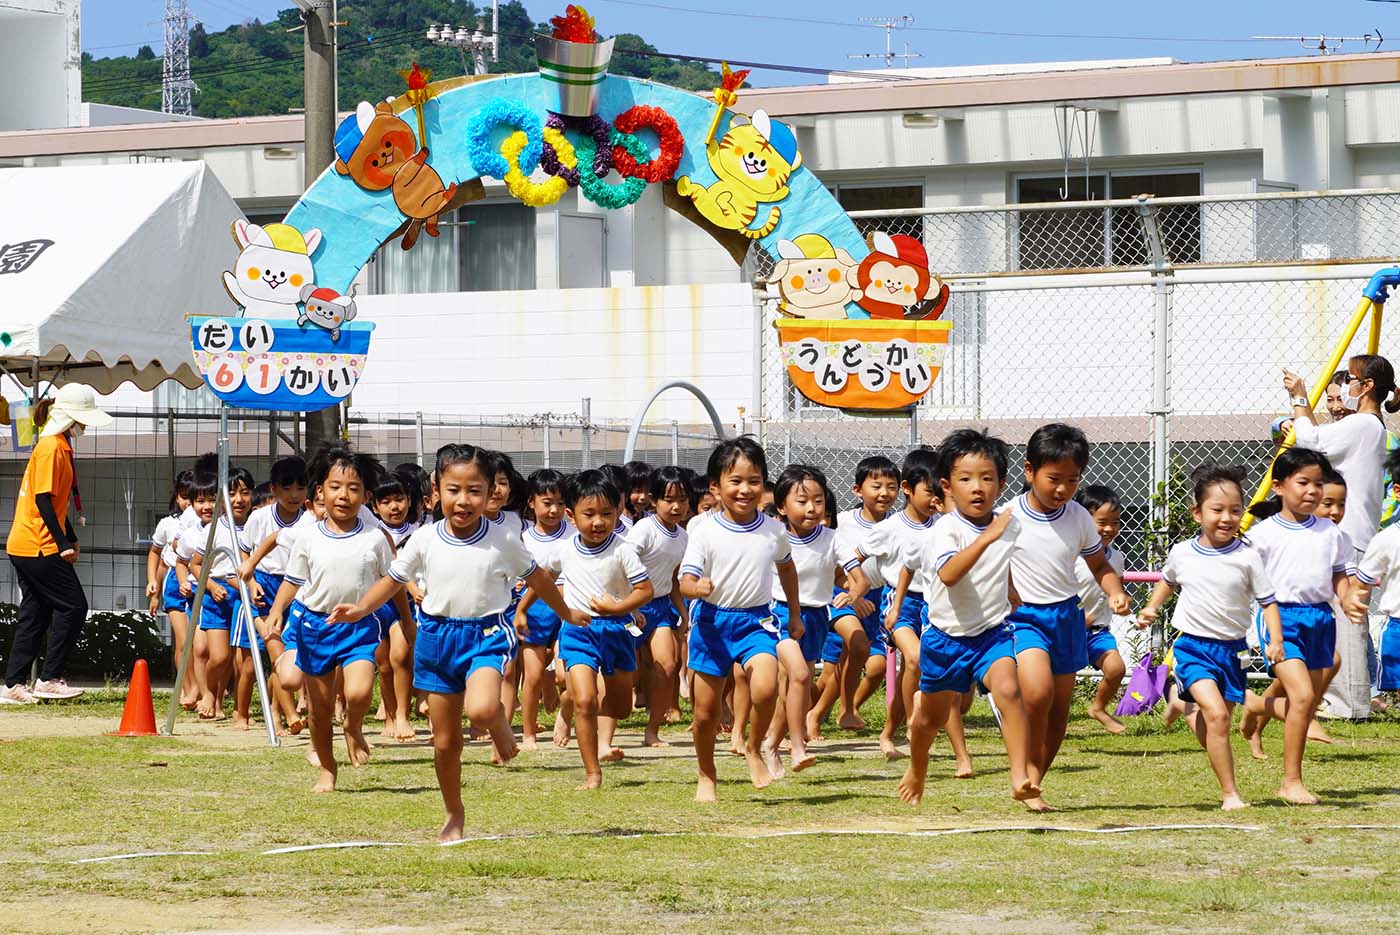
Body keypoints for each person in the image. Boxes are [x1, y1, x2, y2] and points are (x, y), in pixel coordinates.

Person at [896, 429, 1043, 810]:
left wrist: (1011, 590)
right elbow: (949, 575)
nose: (977, 488)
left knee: (1010, 691)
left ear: (1001, 483)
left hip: (991, 634)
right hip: (945, 639)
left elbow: (1003, 557)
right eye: (965, 479)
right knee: (928, 721)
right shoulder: (945, 529)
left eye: (987, 478)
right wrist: (987, 539)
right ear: (947, 486)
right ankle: (917, 768)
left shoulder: (1007, 525)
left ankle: (1020, 777)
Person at [265, 444, 410, 793]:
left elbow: (394, 584)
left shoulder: (375, 539)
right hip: (316, 628)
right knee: (319, 710)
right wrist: (275, 612)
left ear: (366, 496)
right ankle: (327, 770)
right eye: (335, 486)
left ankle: (354, 726)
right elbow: (293, 580)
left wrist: (407, 622)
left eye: (353, 488)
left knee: (359, 692)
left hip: (358, 627)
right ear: (320, 492)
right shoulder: (308, 535)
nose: (343, 495)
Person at [1139, 464, 1280, 811]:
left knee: (1217, 724)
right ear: (1197, 512)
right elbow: (1168, 582)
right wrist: (1151, 608)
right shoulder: (1182, 552)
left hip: (1233, 652)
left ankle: (1178, 700)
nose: (1227, 518)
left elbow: (1268, 602)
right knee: (1216, 716)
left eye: (1235, 510)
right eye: (1217, 510)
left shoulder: (1248, 557)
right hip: (1193, 648)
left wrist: (1275, 640)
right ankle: (1230, 794)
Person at [1008, 423, 1131, 791]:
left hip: (1066, 617)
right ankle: (1020, 762)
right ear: (1029, 471)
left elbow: (1098, 565)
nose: (1063, 489)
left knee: (1059, 711)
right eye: (1053, 478)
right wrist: (1008, 591)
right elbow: (990, 562)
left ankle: (1033, 782)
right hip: (1024, 618)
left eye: (1073, 480)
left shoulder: (1078, 516)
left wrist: (1114, 591)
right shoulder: (1008, 515)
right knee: (1038, 693)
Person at [680, 437, 801, 802]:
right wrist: (696, 588)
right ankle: (706, 773)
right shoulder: (703, 530)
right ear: (715, 487)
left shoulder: (774, 530)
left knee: (765, 688)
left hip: (756, 621)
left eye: (754, 481)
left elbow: (787, 568)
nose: (745, 489)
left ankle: (753, 748)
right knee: (705, 714)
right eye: (735, 481)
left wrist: (794, 612)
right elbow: (684, 581)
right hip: (712, 624)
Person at [1239, 447, 1350, 805]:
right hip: (1280, 619)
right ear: (1279, 487)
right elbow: (1245, 579)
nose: (1312, 491)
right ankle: (1290, 782)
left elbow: (1339, 576)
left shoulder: (1330, 533)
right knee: (1302, 698)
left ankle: (1256, 705)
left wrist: (1348, 599)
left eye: (1318, 484)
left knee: (1306, 701)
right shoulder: (1264, 534)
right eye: (1303, 482)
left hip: (1320, 619)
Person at [541, 470, 653, 788]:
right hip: (579, 630)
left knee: (621, 708)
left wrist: (619, 608)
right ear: (571, 515)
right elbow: (543, 580)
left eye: (606, 513)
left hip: (617, 630)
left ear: (618, 512)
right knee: (586, 701)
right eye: (588, 514)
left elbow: (644, 590)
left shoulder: (623, 549)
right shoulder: (563, 549)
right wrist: (526, 609)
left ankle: (569, 703)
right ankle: (592, 772)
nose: (598, 522)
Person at [1, 384, 112, 704]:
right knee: (73, 606)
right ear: (68, 418)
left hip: (26, 543)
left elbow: (55, 502)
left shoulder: (58, 445)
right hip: (38, 544)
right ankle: (49, 677)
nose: (86, 425)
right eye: (83, 419)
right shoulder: (52, 447)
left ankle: (14, 684)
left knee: (35, 613)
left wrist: (71, 538)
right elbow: (43, 501)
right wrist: (62, 543)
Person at [763, 465, 866, 778]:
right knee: (798, 676)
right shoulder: (772, 537)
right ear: (782, 506)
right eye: (802, 501)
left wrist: (853, 593)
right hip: (777, 613)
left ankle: (770, 743)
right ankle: (797, 745)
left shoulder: (833, 538)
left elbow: (858, 578)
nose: (811, 508)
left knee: (796, 682)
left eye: (818, 501)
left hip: (816, 616)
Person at [859, 449, 940, 758]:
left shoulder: (944, 526)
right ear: (908, 488)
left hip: (935, 604)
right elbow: (853, 559)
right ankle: (911, 727)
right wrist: (852, 589)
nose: (935, 500)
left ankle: (889, 730)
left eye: (940, 493)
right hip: (900, 601)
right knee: (915, 659)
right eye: (929, 492)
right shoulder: (888, 529)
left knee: (917, 668)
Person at [812, 456, 894, 752]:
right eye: (877, 486)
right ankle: (838, 711)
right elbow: (834, 565)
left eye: (891, 486)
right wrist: (852, 595)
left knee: (867, 665)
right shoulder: (843, 522)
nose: (884, 492)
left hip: (873, 601)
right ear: (858, 490)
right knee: (844, 656)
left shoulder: (896, 526)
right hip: (840, 595)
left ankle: (821, 712)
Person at [180, 461, 255, 723]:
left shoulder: (256, 523)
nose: (239, 499)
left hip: (245, 598)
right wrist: (211, 585)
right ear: (222, 498)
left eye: (245, 492)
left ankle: (232, 705)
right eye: (232, 493)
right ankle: (208, 693)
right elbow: (195, 564)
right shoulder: (216, 528)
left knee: (242, 660)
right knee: (220, 657)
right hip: (217, 597)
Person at [238, 456, 308, 735]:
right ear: (274, 489)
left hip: (297, 588)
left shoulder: (310, 521)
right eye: (287, 488)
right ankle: (288, 714)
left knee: (289, 656)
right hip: (265, 588)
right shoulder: (259, 517)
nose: (294, 495)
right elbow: (244, 551)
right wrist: (252, 579)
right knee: (275, 649)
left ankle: (277, 712)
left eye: (301, 488)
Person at [623, 465, 690, 748]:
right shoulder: (644, 529)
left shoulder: (683, 537)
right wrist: (630, 605)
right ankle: (581, 720)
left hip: (661, 607)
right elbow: (623, 564)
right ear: (654, 500)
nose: (676, 506)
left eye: (683, 500)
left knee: (668, 664)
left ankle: (653, 729)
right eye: (668, 499)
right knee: (621, 672)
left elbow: (674, 579)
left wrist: (684, 615)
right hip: (628, 606)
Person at [514, 468, 572, 749]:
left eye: (560, 503)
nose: (554, 510)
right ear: (532, 503)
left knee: (565, 674)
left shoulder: (574, 534)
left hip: (568, 609)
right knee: (533, 676)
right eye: (547, 503)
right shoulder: (522, 538)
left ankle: (565, 713)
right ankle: (528, 734)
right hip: (534, 610)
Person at [1074, 485, 1129, 735]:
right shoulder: (1070, 555)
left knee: (1116, 669)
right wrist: (1074, 618)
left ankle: (1097, 708)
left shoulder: (1116, 557)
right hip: (1066, 630)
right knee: (1052, 684)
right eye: (1102, 522)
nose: (1110, 529)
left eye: (1115, 522)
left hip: (1097, 631)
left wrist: (1119, 601)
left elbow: (1115, 586)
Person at [147, 469, 198, 709]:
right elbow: (158, 556)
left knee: (199, 641)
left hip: (200, 583)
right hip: (175, 584)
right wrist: (154, 591)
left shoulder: (206, 522)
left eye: (193, 496)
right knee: (183, 639)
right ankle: (186, 688)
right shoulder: (168, 524)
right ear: (177, 496)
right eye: (184, 496)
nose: (188, 502)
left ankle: (200, 687)